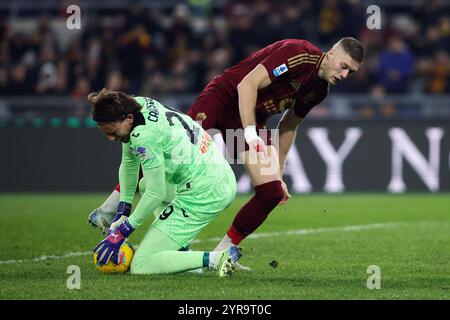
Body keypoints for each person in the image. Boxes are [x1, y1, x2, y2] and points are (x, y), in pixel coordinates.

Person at [187, 37, 364, 252]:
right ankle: (140, 217)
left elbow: (289, 126)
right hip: (224, 96)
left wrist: (279, 172)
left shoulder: (319, 90)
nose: (344, 75)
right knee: (182, 157)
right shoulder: (298, 53)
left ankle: (221, 254)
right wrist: (252, 134)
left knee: (272, 192)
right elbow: (247, 85)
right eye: (344, 67)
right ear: (331, 53)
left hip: (250, 119)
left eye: (351, 72)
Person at [88, 89, 240, 276]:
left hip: (205, 192)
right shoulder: (138, 104)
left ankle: (217, 258)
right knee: (145, 184)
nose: (110, 138)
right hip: (218, 175)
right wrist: (123, 211)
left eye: (111, 131)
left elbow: (156, 194)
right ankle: (182, 251)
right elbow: (129, 162)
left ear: (127, 119)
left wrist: (122, 233)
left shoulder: (144, 136)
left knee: (141, 265)